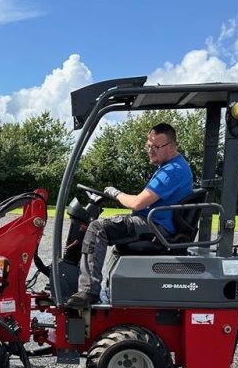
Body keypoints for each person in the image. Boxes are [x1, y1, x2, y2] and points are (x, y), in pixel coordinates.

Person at [65, 123, 194, 308]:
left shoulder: (172, 171)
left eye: (156, 147)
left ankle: (88, 292)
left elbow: (137, 203)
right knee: (110, 226)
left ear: (172, 147)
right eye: (148, 146)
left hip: (157, 227)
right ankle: (103, 286)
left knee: (97, 228)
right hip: (156, 223)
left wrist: (114, 193)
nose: (150, 150)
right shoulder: (172, 167)